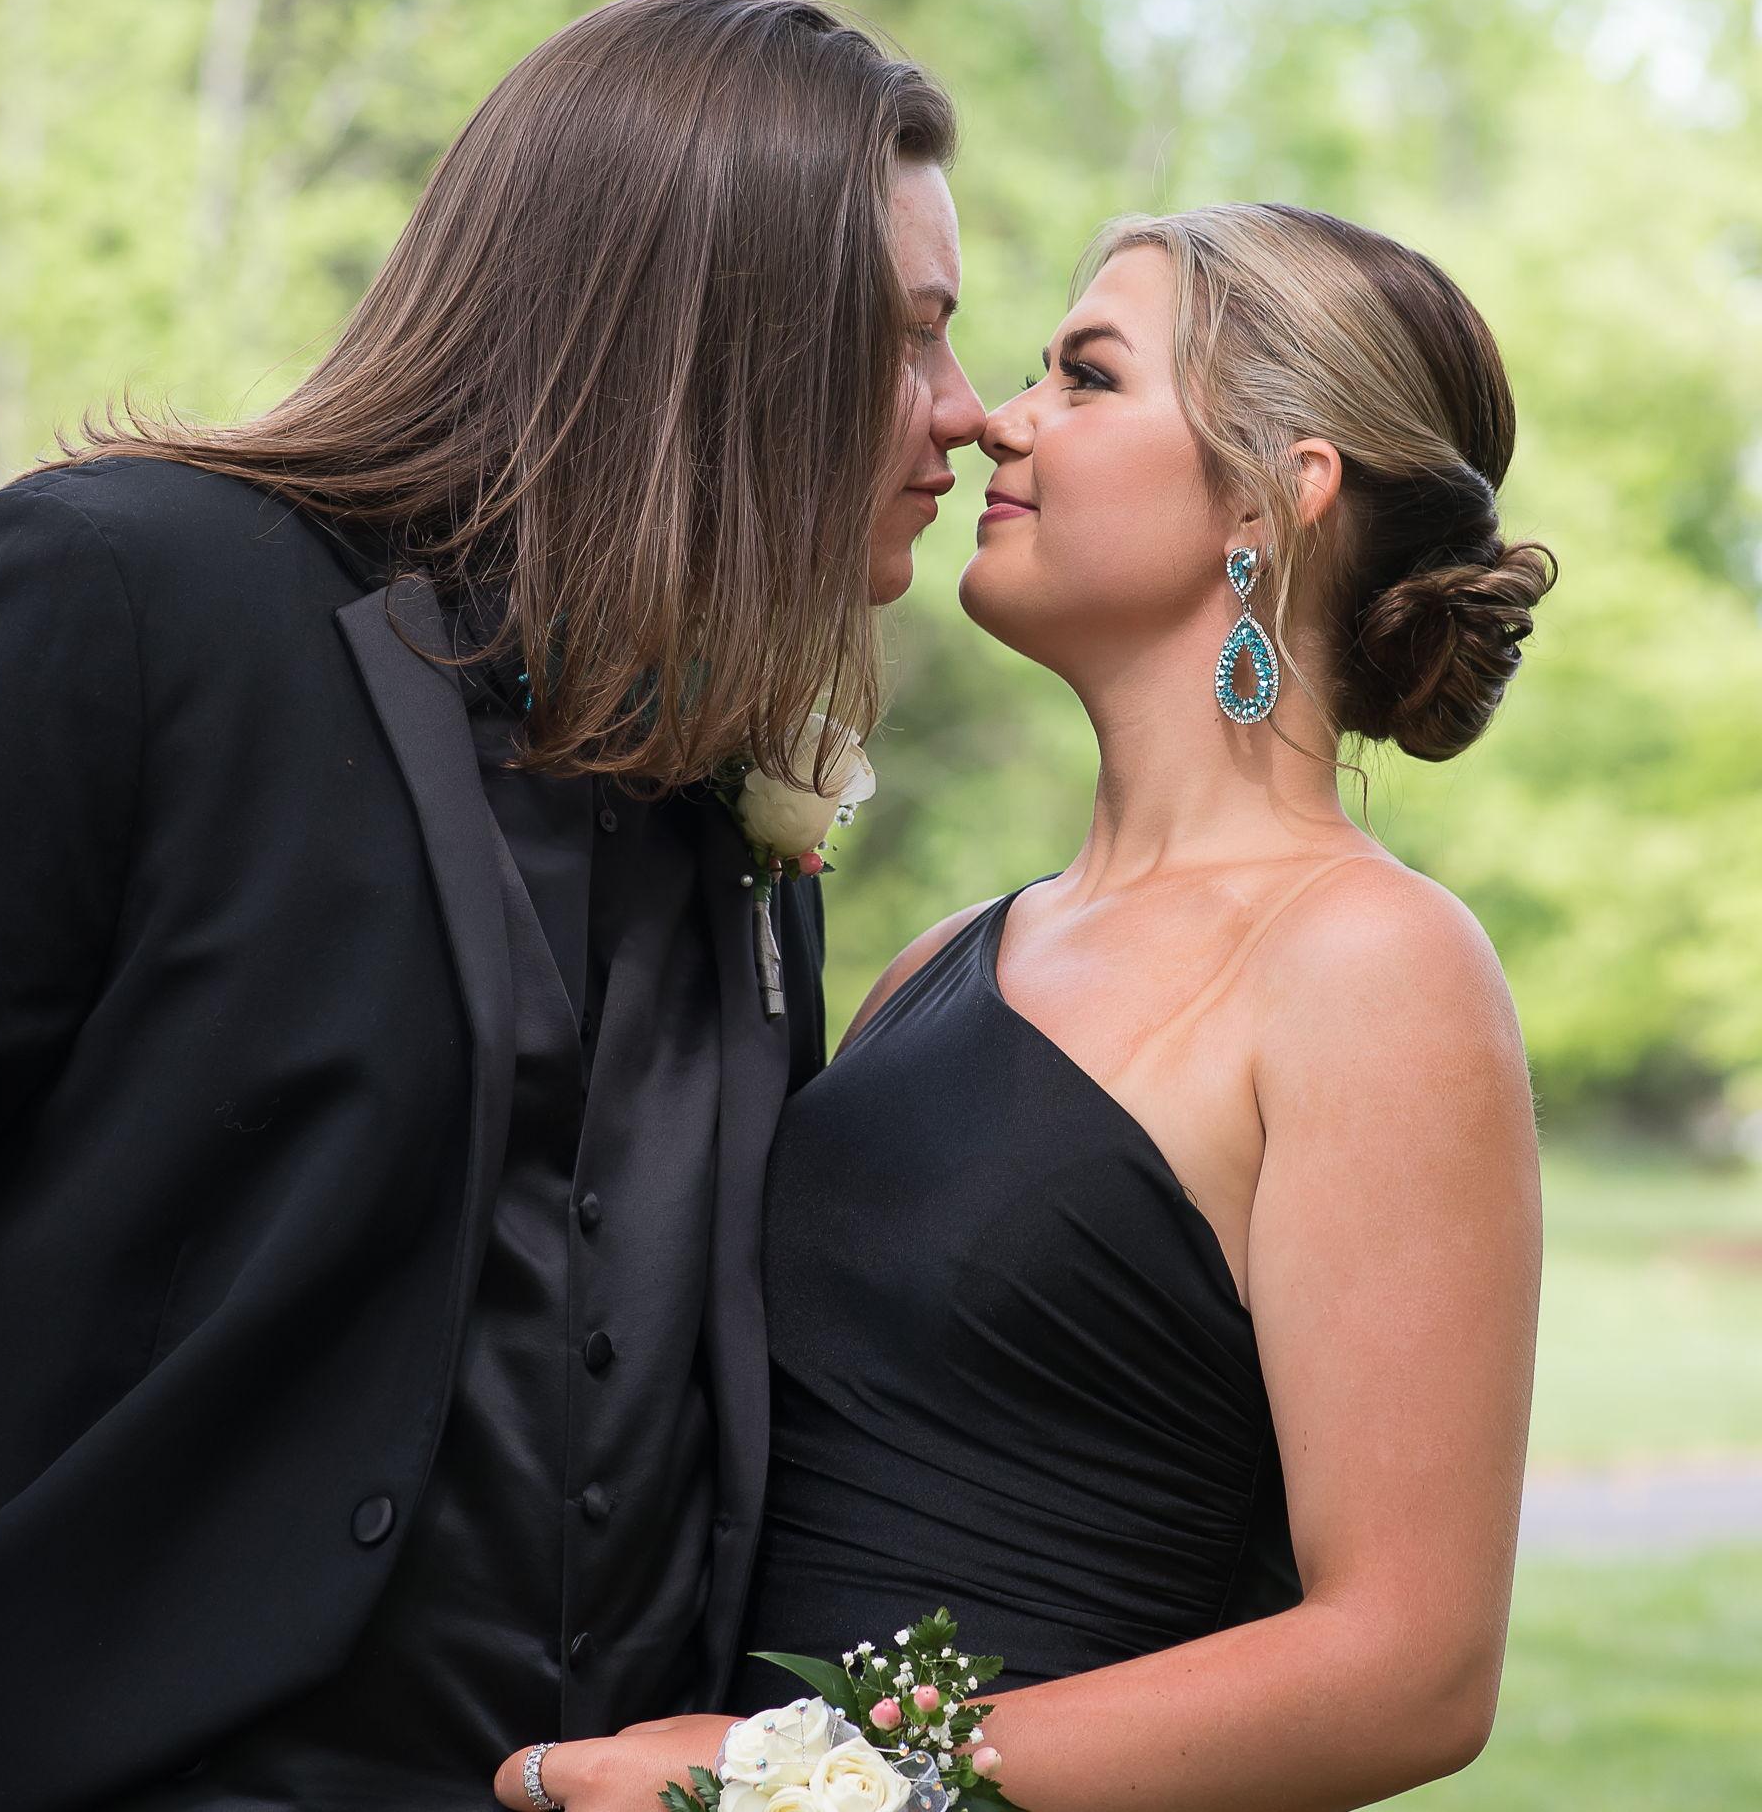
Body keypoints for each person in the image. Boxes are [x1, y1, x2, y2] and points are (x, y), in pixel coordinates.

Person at [0, 0, 984, 1812]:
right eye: (913, 336)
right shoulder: (117, 602)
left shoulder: (739, 802)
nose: (967, 415)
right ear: (728, 331)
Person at [523, 203, 1552, 1811]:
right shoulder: (934, 964)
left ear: (1274, 495)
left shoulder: (1370, 964)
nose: (999, 419)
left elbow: (1407, 1669)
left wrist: (792, 1778)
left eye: (1088, 375)